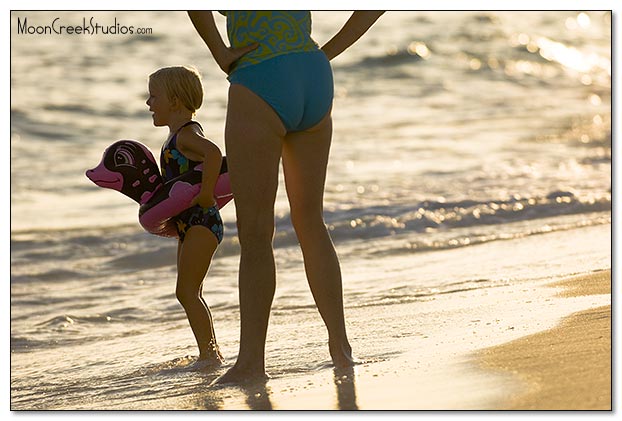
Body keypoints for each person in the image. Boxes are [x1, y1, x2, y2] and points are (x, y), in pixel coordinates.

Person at [187, 11, 384, 382]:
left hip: (260, 77)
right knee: (310, 221)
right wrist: (324, 53)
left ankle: (250, 364)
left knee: (257, 233)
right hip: (313, 73)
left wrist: (219, 50)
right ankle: (341, 349)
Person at [146, 65, 225, 367]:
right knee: (192, 291)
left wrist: (207, 194)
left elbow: (215, 154)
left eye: (154, 97)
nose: (148, 103)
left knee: (186, 291)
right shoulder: (179, 135)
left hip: (202, 222)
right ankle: (210, 352)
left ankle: (210, 355)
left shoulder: (186, 136)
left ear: (175, 101)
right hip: (189, 224)